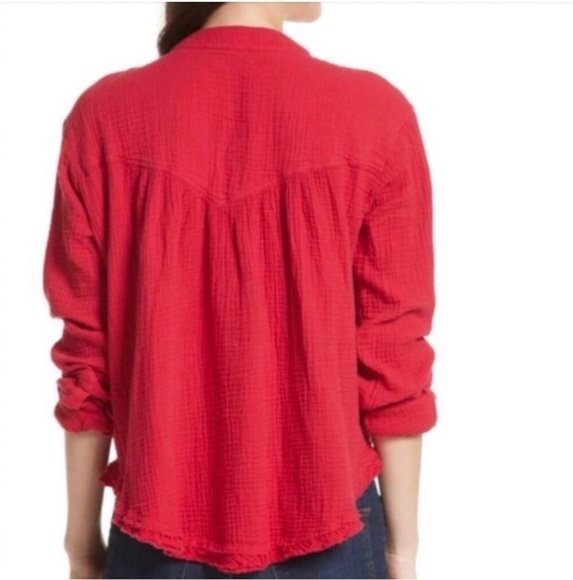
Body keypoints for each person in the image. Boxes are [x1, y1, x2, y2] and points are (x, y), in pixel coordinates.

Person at [42, 2, 438, 579]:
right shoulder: (376, 114)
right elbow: (392, 354)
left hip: (156, 524)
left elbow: (87, 356)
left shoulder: (102, 117)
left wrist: (80, 543)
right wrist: (402, 550)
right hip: (332, 519)